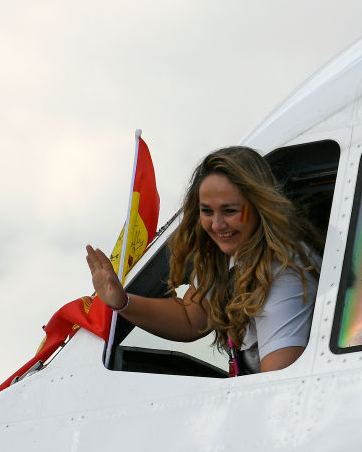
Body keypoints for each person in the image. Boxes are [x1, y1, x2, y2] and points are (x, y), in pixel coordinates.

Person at [86, 146, 322, 374]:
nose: (217, 225)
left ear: (259, 207)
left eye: (229, 211)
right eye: (207, 211)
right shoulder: (228, 257)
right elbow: (191, 318)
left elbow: (276, 384)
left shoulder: (283, 272)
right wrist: (121, 301)